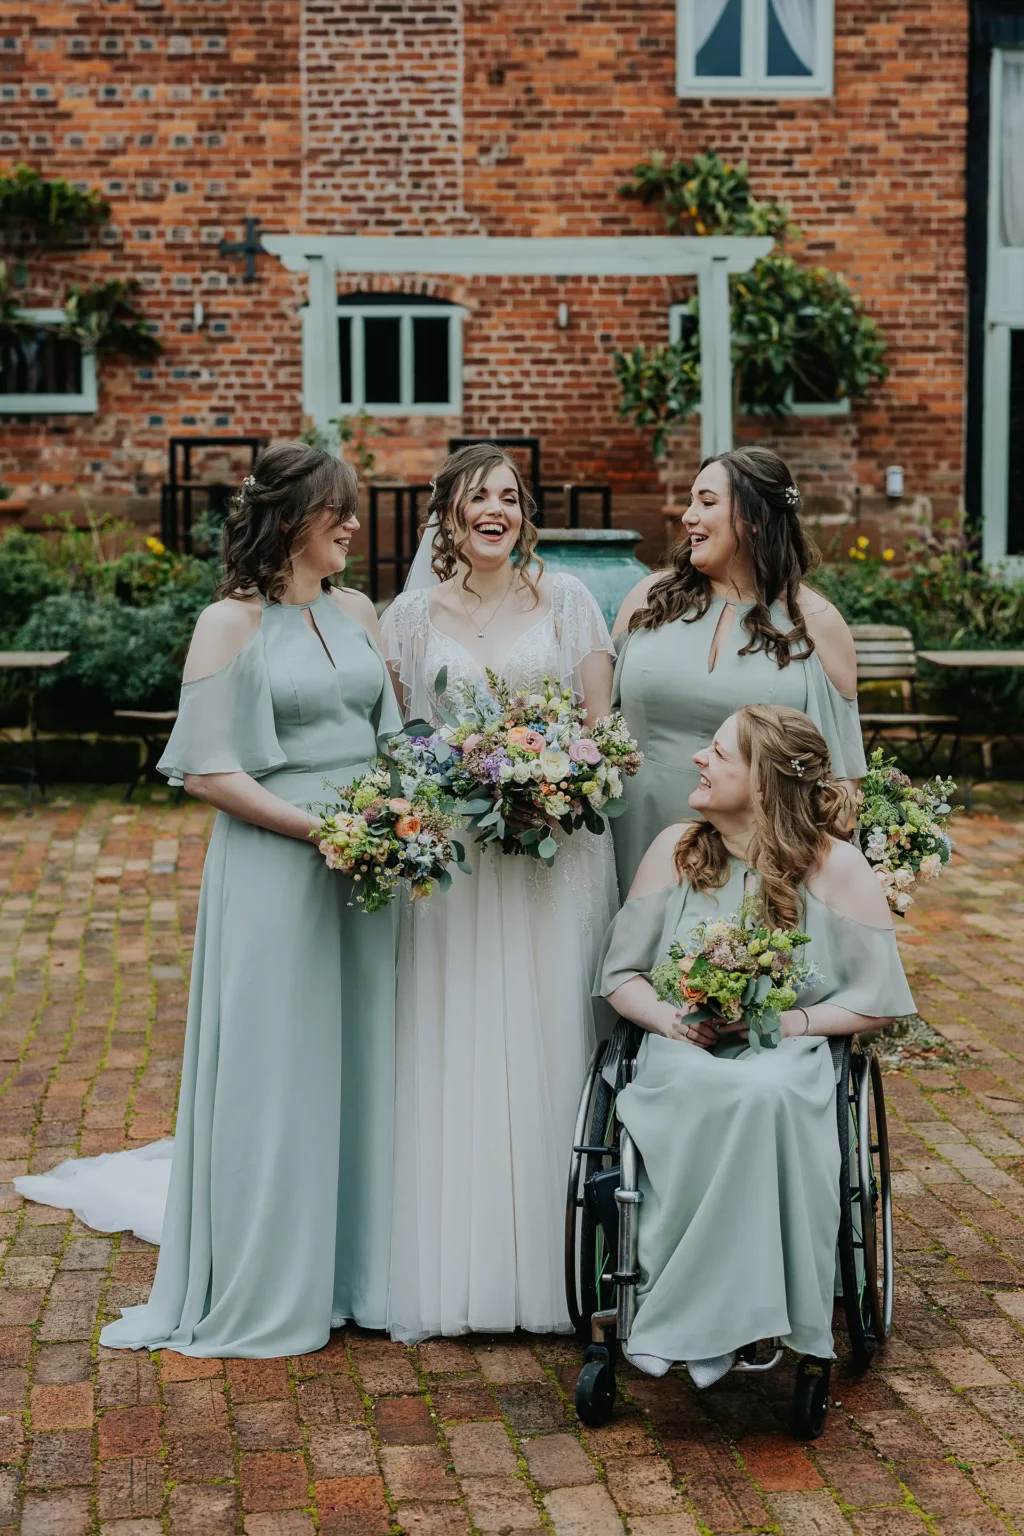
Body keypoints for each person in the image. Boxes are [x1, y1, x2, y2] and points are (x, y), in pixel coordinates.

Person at [16, 443, 402, 1358]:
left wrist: (399, 811)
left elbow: (392, 734)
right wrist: (319, 833)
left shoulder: (356, 609)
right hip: (278, 862)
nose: (352, 525)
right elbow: (206, 770)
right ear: (287, 519)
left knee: (361, 1063)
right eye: (335, 510)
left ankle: (357, 1270)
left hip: (371, 864)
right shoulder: (227, 624)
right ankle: (269, 1280)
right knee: (279, 1071)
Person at [595, 704, 914, 1385]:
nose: (699, 761)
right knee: (718, 1088)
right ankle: (700, 1316)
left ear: (764, 782)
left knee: (762, 1091)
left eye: (719, 753)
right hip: (682, 1047)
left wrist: (791, 1024)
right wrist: (671, 1021)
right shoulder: (677, 850)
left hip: (787, 1052)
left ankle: (721, 1319)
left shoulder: (838, 869)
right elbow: (620, 977)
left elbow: (878, 1000)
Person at [381, 442, 619, 1342]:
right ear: (446, 514)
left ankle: (561, 1260)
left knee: (550, 1036)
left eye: (511, 498)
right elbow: (404, 745)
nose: (497, 510)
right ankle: (462, 1265)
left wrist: (553, 781)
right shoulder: (408, 617)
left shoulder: (568, 603)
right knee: (460, 1038)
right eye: (479, 497)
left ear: (525, 514)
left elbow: (602, 739)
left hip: (553, 862)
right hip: (458, 874)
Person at [610, 447, 867, 892]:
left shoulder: (818, 623)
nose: (689, 516)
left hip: (754, 856)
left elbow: (842, 781)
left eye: (707, 503)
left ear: (756, 519)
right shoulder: (647, 600)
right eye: (691, 501)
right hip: (628, 828)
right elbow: (596, 720)